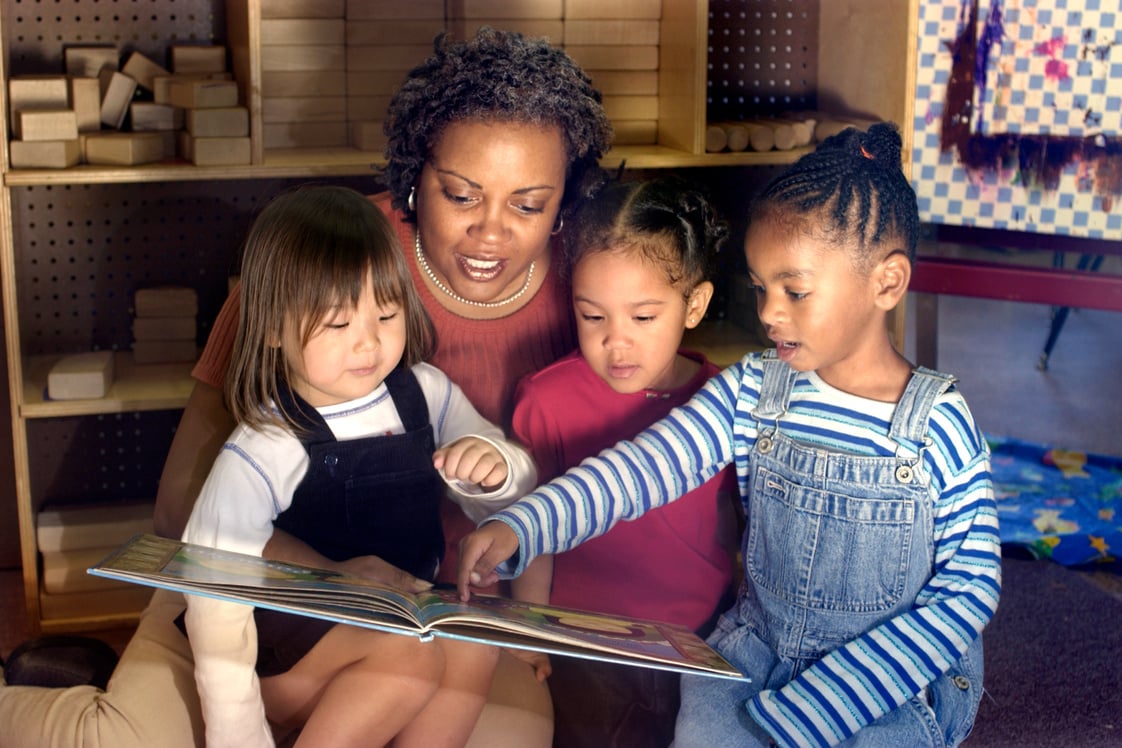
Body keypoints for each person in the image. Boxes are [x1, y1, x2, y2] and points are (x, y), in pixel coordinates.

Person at [0, 27, 611, 748]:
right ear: (417, 176)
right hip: (261, 596)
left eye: (530, 205)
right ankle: (55, 691)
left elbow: (528, 479)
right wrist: (333, 579)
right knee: (122, 742)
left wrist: (494, 479)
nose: (491, 235)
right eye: (460, 195)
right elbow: (188, 521)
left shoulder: (593, 285)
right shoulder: (325, 256)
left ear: (564, 202)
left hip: (430, 608)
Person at [458, 123, 1002, 748]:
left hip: (892, 679)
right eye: (761, 288)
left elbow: (970, 587)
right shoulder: (752, 389)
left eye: (794, 291)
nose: (769, 312)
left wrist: (830, 704)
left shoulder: (938, 421)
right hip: (760, 655)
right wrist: (525, 525)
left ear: (886, 282)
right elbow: (641, 469)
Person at [181, 184, 538, 747]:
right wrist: (237, 730)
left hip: (396, 617)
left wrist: (494, 467)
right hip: (288, 654)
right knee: (409, 656)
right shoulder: (269, 440)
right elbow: (210, 579)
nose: (368, 343)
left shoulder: (426, 392)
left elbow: (506, 486)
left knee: (473, 640)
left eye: (386, 314)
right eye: (338, 324)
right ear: (273, 327)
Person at [509, 177, 739, 746]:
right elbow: (533, 529)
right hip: (586, 643)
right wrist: (528, 632)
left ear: (695, 305)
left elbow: (740, 532)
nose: (617, 343)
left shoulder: (725, 404)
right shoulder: (546, 398)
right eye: (594, 317)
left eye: (643, 318)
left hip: (696, 643)